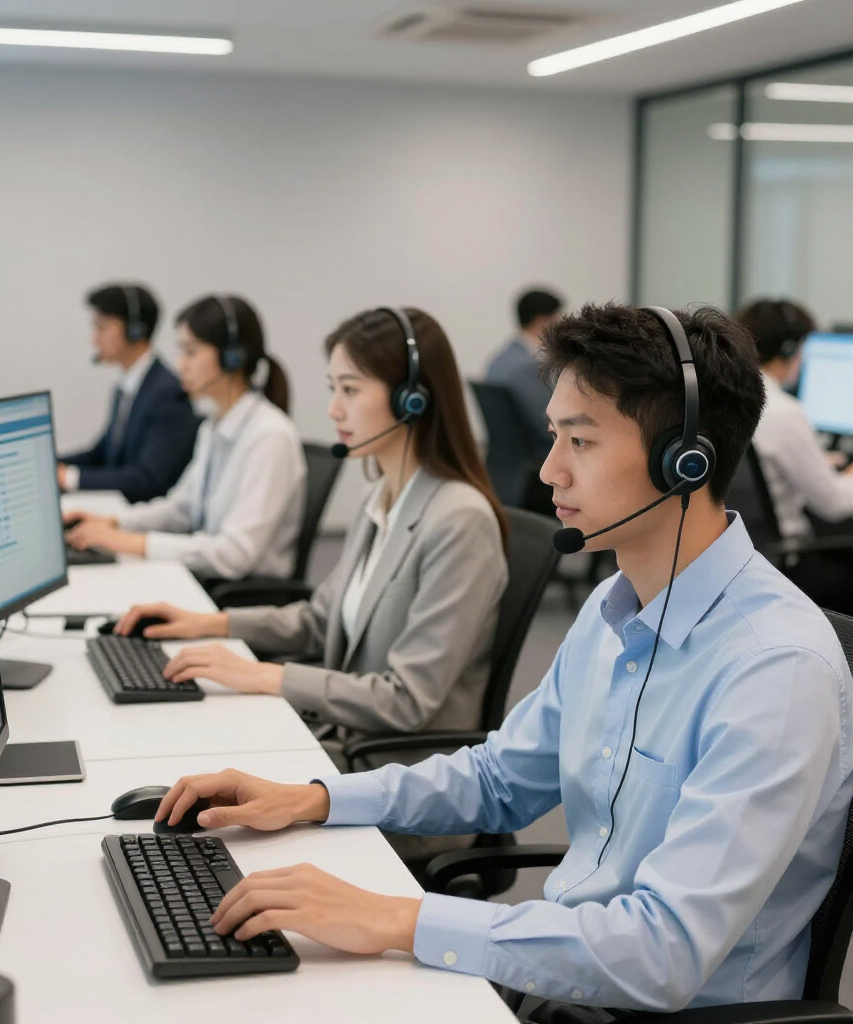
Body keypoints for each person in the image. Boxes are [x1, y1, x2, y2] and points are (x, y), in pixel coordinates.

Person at [151, 304, 853, 1015]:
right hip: (557, 977)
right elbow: (499, 779)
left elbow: (663, 950)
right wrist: (318, 798)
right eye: (554, 436)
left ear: (685, 461)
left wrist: (399, 918)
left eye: (579, 441)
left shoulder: (776, 671)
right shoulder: (615, 607)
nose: (549, 471)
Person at [115, 307, 508, 759]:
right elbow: (320, 621)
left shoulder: (459, 521)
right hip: (344, 745)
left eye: (350, 389)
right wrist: (207, 623)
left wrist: (267, 676)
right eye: (332, 388)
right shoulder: (380, 499)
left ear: (410, 400)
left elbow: (407, 700)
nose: (333, 408)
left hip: (401, 779)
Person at [64, 294, 304, 582]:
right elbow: (182, 510)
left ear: (232, 357)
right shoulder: (213, 427)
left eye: (190, 352)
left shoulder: (269, 437)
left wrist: (131, 542)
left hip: (240, 596)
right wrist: (114, 523)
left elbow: (235, 555)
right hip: (206, 578)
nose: (180, 366)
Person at [739, 298, 853, 614]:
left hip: (744, 557)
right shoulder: (783, 412)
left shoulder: (730, 397)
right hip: (788, 563)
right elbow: (833, 505)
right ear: (790, 350)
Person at [57, 283, 200, 503]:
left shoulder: (168, 393)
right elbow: (103, 453)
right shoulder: (126, 387)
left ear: (135, 330)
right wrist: (50, 463)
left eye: (102, 327)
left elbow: (149, 479)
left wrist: (71, 478)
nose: (94, 338)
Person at [485, 287, 563, 452]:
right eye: (558, 318)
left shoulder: (498, 360)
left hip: (505, 457)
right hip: (537, 455)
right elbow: (547, 424)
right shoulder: (527, 367)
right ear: (542, 320)